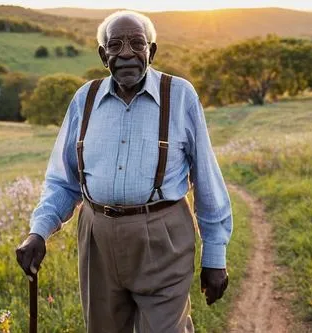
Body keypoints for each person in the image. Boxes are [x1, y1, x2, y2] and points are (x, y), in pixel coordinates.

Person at [16, 10, 232, 333]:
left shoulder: (181, 96)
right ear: (104, 56)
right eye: (115, 45)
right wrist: (39, 231)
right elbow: (63, 181)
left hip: (163, 239)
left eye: (137, 43)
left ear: (152, 51)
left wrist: (215, 255)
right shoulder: (84, 100)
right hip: (97, 239)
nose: (127, 53)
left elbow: (206, 179)